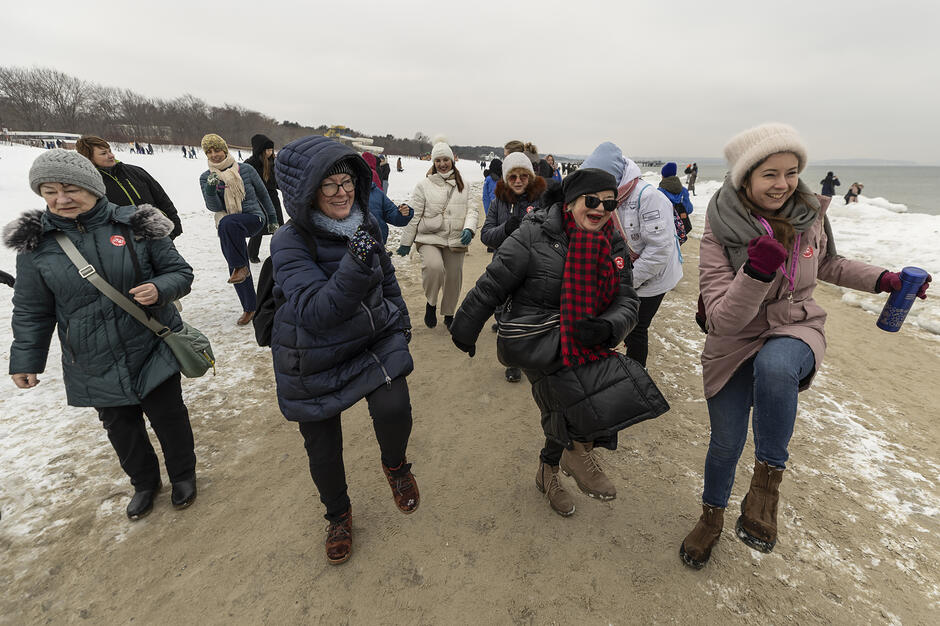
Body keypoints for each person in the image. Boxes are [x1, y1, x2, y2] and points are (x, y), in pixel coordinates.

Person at [678, 123, 932, 569]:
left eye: (791, 172)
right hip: (733, 341)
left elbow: (830, 263)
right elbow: (721, 319)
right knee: (724, 444)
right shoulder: (719, 231)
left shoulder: (810, 214)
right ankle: (710, 519)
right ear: (745, 178)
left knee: (777, 368)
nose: (783, 184)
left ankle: (764, 492)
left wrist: (883, 279)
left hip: (796, 326)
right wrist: (755, 272)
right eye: (770, 174)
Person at [450, 168, 668, 516]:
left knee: (601, 388)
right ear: (570, 202)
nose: (600, 209)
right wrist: (466, 327)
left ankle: (548, 470)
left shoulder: (612, 242)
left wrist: (608, 328)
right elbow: (494, 281)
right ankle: (578, 451)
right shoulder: (535, 233)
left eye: (609, 203)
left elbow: (628, 300)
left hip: (582, 333)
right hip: (534, 332)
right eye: (591, 200)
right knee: (571, 390)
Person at [5, 149, 197, 520]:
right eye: (49, 191)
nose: (61, 199)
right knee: (121, 429)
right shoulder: (36, 244)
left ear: (92, 187)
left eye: (69, 188)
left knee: (169, 417)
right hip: (90, 356)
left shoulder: (136, 223)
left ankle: (183, 475)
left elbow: (180, 272)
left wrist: (160, 288)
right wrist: (26, 359)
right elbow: (31, 308)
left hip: (150, 344)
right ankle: (144, 484)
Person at [271, 135, 419, 565]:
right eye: (329, 184)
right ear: (305, 193)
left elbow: (386, 275)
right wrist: (355, 260)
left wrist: (401, 318)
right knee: (323, 446)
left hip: (371, 335)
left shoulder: (364, 224)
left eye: (348, 181)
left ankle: (396, 467)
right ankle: (338, 513)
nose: (343, 192)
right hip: (311, 354)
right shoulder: (289, 242)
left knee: (394, 406)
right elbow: (318, 312)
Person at [582, 142, 683, 368]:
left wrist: (625, 282)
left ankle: (637, 374)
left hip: (655, 275)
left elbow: (659, 250)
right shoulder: (608, 196)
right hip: (627, 270)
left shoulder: (648, 198)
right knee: (621, 320)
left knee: (636, 326)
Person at [396, 141, 480, 329]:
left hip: (455, 237)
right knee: (434, 267)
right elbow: (414, 214)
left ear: (452, 160)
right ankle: (431, 303)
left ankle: (449, 313)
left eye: (445, 159)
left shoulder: (464, 185)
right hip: (429, 237)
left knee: (453, 277)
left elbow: (473, 210)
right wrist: (406, 242)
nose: (442, 164)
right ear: (433, 163)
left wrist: (469, 229)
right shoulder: (423, 186)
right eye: (438, 160)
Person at [480, 151, 547, 382]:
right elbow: (486, 236)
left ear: (530, 177)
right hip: (504, 265)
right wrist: (506, 228)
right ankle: (511, 360)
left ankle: (527, 358)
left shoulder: (542, 200)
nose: (518, 181)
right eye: (513, 176)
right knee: (504, 315)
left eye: (523, 176)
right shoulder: (499, 201)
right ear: (506, 179)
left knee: (529, 314)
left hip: (535, 266)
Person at [198, 133, 277, 326]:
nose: (214, 154)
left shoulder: (246, 170)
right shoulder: (206, 177)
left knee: (227, 225)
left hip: (253, 218)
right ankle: (250, 307)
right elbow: (215, 207)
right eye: (209, 152)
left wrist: (272, 218)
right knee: (235, 258)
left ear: (224, 149)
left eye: (217, 149)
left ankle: (240, 268)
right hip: (230, 225)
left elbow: (264, 195)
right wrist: (211, 189)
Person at [76, 136, 183, 239]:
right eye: (104, 153)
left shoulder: (135, 171)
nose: (111, 156)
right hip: (126, 244)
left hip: (159, 235)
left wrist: (174, 222)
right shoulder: (89, 185)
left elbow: (161, 197)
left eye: (110, 151)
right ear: (89, 158)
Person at [244, 134, 284, 264]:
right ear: (259, 150)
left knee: (278, 227)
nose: (270, 152)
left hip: (273, 198)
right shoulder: (250, 164)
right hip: (258, 200)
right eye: (267, 150)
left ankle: (280, 252)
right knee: (259, 228)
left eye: (271, 150)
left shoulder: (274, 163)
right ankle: (252, 253)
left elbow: (277, 181)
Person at [658, 161, 694, 235]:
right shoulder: (683, 190)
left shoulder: (660, 191)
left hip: (666, 229)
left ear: (663, 176)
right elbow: (689, 210)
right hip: (680, 229)